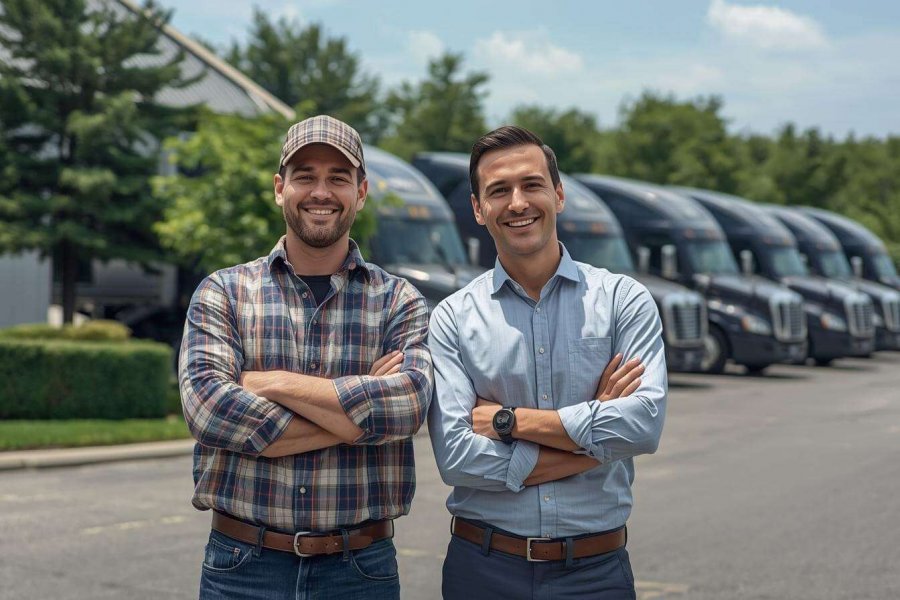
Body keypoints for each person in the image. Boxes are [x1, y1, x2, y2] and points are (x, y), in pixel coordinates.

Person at [179, 115, 433, 599]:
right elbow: (209, 410)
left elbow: (408, 406)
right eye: (305, 176)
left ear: (361, 192)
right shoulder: (223, 293)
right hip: (242, 568)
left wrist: (268, 383)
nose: (321, 191)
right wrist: (359, 419)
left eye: (338, 178)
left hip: (360, 571)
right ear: (280, 188)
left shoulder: (399, 300)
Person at [427, 125, 667, 599]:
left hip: (595, 575)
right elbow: (457, 460)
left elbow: (642, 427)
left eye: (532, 184)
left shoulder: (624, 300)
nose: (517, 203)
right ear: (478, 209)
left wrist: (508, 421)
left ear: (558, 195)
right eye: (498, 190)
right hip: (483, 571)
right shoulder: (452, 317)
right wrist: (593, 438)